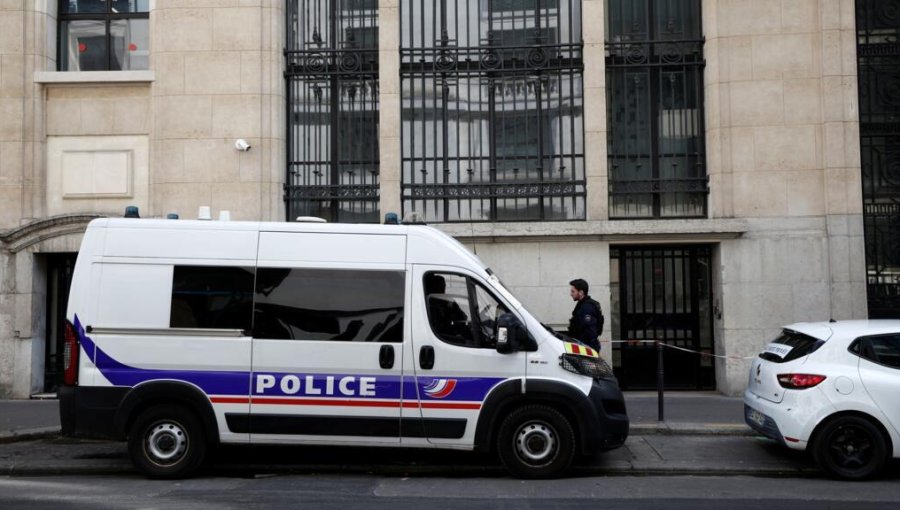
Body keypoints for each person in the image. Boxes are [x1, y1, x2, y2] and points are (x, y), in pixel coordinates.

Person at [424, 274, 472, 344]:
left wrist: (451, 307)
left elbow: (463, 317)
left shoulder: (447, 301)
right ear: (432, 288)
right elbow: (437, 328)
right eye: (439, 286)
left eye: (444, 286)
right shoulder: (427, 303)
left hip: (450, 333)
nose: (443, 289)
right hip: (440, 338)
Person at [567, 278, 604, 351]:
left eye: (573, 291)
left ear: (581, 292)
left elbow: (589, 332)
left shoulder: (587, 307)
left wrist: (581, 348)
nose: (571, 294)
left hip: (585, 349)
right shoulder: (583, 305)